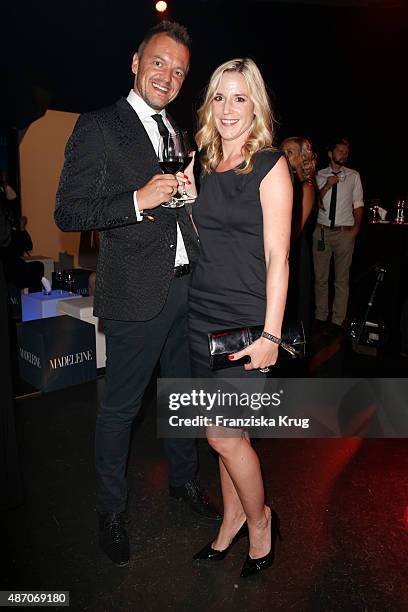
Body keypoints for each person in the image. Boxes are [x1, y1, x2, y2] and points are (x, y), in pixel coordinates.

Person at [55, 21, 220, 568]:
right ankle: (110, 510)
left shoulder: (176, 130)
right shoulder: (100, 126)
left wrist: (189, 200)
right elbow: (70, 211)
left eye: (178, 70)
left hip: (184, 286)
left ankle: (184, 483)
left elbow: (178, 206)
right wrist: (135, 199)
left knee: (179, 397)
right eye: (159, 62)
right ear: (135, 61)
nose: (168, 76)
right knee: (121, 409)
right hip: (134, 293)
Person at [188, 58, 292, 577]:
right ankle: (230, 521)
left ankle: (261, 522)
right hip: (201, 312)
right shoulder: (203, 163)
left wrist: (271, 333)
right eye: (220, 97)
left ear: (256, 105)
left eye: (240, 97)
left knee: (222, 436)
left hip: (246, 321)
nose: (228, 108)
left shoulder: (271, 166)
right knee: (226, 433)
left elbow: (279, 257)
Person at [313, 138, 364, 336]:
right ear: (330, 153)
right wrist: (326, 185)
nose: (343, 154)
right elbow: (315, 203)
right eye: (340, 150)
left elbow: (358, 204)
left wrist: (356, 229)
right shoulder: (318, 175)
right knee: (321, 278)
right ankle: (320, 316)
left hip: (344, 232)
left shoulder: (353, 176)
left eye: (346, 151)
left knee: (341, 279)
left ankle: (337, 320)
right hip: (322, 231)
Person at [281, 137, 318, 335]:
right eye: (283, 151)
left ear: (302, 158)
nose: (285, 156)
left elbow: (295, 230)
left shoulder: (306, 187)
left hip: (294, 251)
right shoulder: (283, 182)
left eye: (290, 152)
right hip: (281, 248)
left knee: (294, 304)